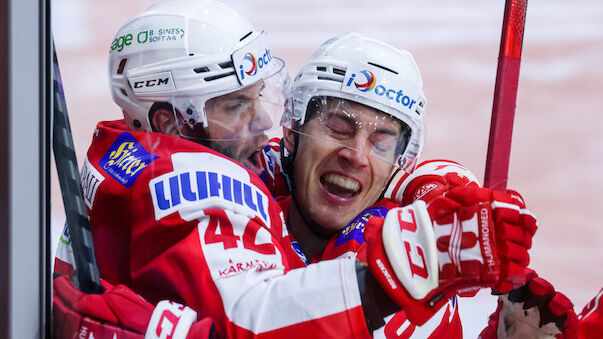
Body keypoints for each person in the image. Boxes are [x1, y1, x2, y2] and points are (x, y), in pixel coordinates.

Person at [52, 3, 537, 336]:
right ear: (170, 120)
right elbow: (257, 322)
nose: (262, 123)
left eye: (383, 142)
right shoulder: (188, 182)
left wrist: (438, 186)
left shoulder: (192, 151)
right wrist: (416, 267)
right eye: (236, 104)